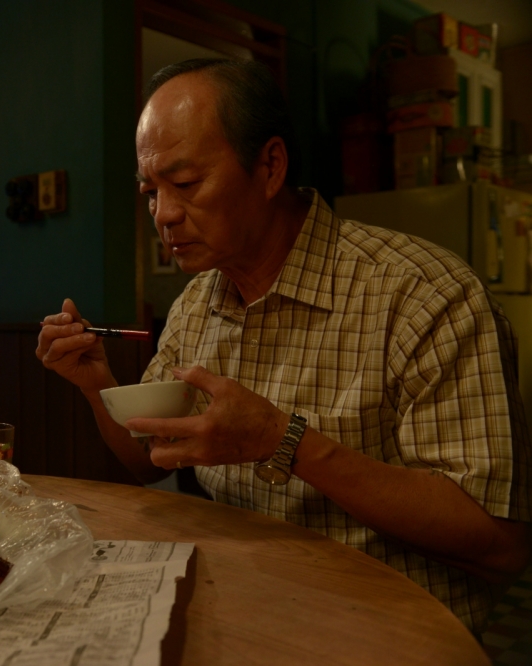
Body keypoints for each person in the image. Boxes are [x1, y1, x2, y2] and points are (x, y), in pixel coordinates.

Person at [36, 58, 531, 634]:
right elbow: (151, 461)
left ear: (270, 167)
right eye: (151, 191)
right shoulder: (197, 304)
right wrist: (95, 381)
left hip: (387, 631)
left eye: (186, 184)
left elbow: (499, 542)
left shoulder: (422, 295)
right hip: (240, 610)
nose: (163, 215)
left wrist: (282, 440)